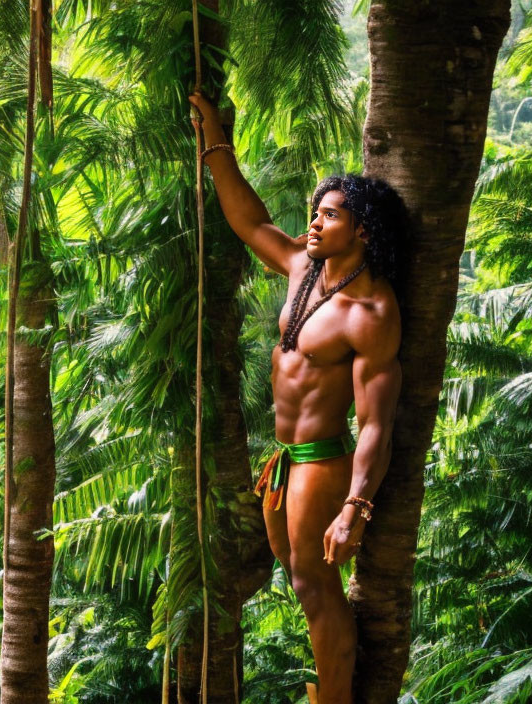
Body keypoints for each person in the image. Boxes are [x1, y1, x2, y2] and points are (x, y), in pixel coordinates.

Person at [188, 93, 406, 704]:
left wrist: (355, 507)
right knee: (299, 578)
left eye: (328, 215)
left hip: (320, 463)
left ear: (361, 229)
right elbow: (250, 222)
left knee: (314, 585)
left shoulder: (371, 310)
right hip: (281, 461)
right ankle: (328, 685)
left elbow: (375, 425)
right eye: (314, 211)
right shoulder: (303, 272)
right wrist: (216, 144)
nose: (313, 222)